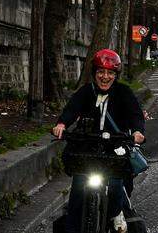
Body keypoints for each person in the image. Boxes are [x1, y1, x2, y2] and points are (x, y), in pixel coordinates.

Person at [53, 49, 145, 233]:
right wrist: (62, 123)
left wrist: (137, 132)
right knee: (78, 185)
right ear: (94, 73)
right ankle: (72, 228)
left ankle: (116, 212)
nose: (105, 77)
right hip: (87, 146)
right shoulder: (86, 92)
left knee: (117, 184)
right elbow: (72, 108)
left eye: (110, 73)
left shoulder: (124, 92)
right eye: (101, 72)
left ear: (115, 75)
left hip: (115, 147)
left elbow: (135, 114)